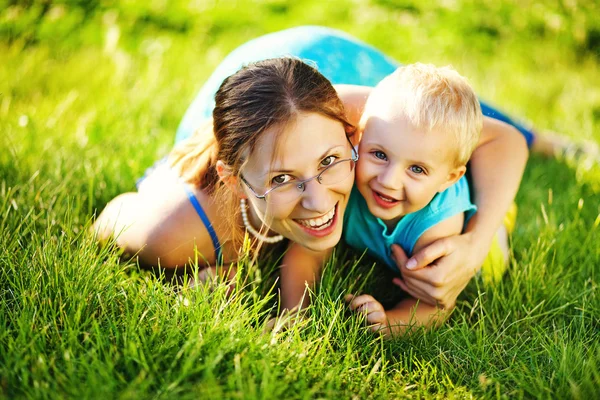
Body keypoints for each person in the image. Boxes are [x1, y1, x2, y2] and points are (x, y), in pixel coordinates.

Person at [94, 26, 529, 315]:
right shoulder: (177, 232)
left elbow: (502, 139)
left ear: (350, 135)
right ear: (236, 182)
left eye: (329, 162)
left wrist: (475, 243)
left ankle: (545, 136)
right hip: (255, 97)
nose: (322, 204)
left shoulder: (367, 116)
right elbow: (112, 219)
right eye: (281, 179)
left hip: (320, 58)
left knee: (450, 110)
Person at [344, 63, 508, 336]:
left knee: (489, 267)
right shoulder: (346, 177)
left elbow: (437, 303)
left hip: (471, 234)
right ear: (360, 137)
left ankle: (504, 220)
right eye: (380, 154)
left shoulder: (437, 231)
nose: (388, 181)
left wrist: (389, 323)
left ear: (449, 179)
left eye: (417, 169)